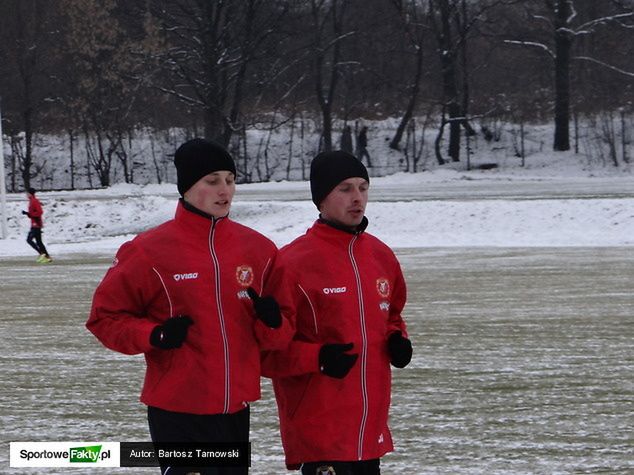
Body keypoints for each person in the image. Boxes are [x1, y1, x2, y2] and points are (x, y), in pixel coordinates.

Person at [86, 138, 293, 475]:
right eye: (212, 181)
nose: (224, 190)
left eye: (230, 179)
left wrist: (272, 323)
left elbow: (281, 333)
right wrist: (157, 335)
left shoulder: (260, 249)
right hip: (177, 412)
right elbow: (104, 319)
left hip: (235, 410)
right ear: (186, 187)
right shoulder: (148, 250)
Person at [261, 151, 413, 474]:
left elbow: (393, 316)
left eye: (363, 187)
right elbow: (267, 352)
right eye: (345, 189)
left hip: (368, 431)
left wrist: (397, 338)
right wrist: (317, 357)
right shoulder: (292, 264)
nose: (357, 198)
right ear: (321, 198)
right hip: (321, 434)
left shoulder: (381, 256)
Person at [22, 187, 52, 263]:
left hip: (36, 224)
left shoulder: (34, 201)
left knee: (29, 240)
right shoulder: (32, 201)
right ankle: (47, 256)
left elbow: (39, 212)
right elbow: (33, 213)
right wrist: (27, 213)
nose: (26, 195)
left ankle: (42, 254)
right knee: (39, 242)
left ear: (30, 193)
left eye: (27, 193)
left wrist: (30, 214)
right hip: (34, 223)